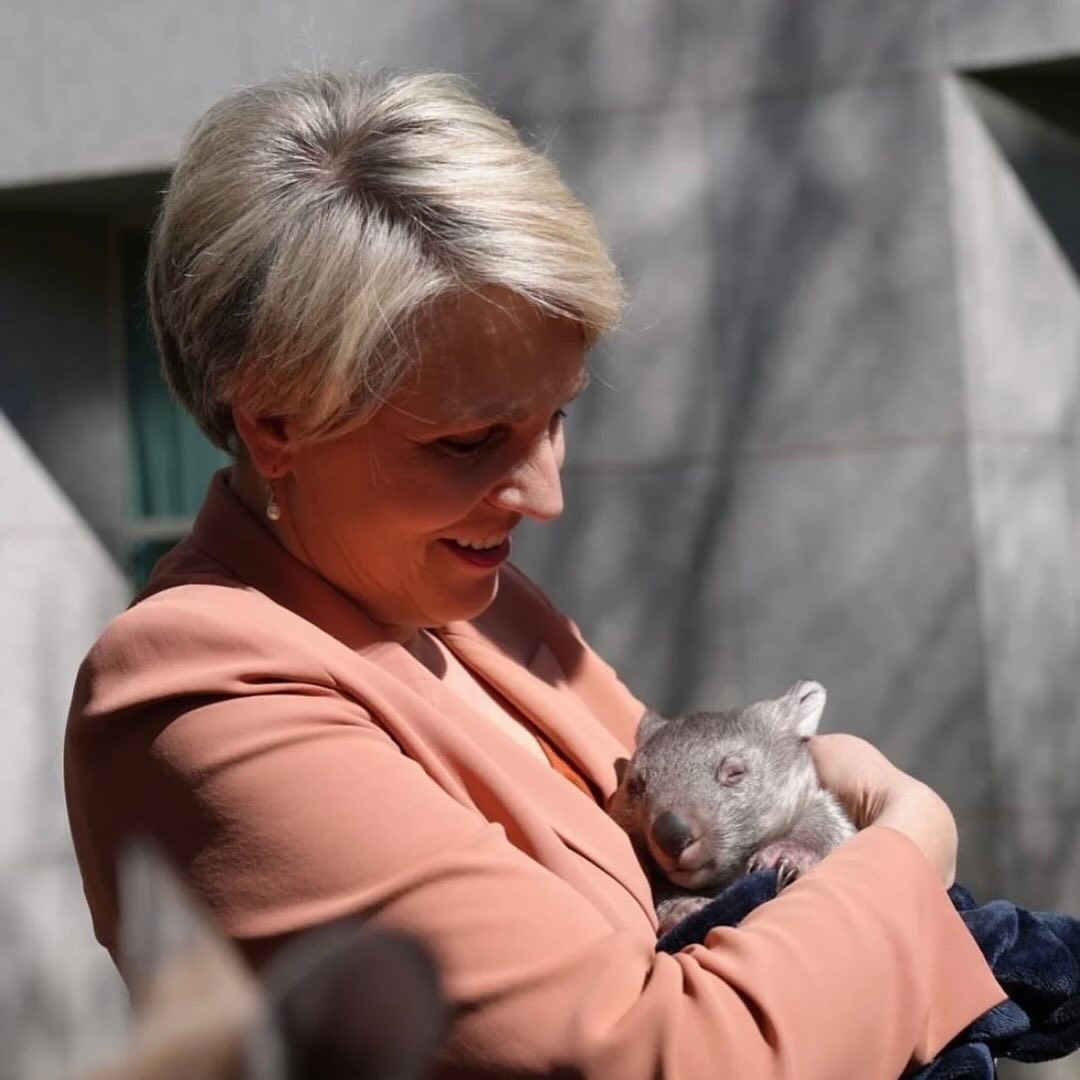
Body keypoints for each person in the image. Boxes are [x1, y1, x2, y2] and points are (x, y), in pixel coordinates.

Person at [64, 69, 1004, 1078]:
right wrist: (913, 841)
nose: (546, 495)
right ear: (276, 422)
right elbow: (672, 1054)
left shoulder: (471, 604)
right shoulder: (201, 694)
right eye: (473, 440)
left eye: (556, 417)